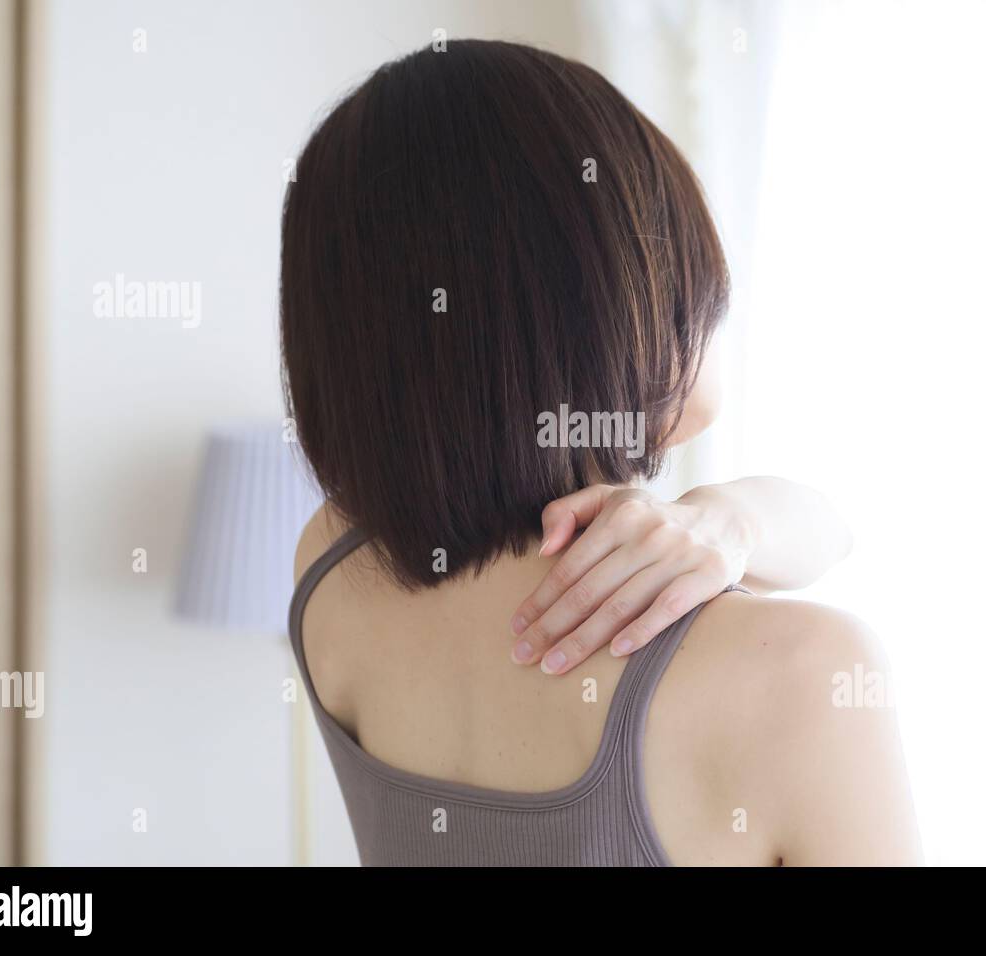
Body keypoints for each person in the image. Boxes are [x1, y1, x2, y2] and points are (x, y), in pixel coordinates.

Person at [282, 39, 921, 866]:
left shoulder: (329, 567)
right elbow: (838, 533)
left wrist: (730, 519)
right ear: (611, 305)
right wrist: (732, 526)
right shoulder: (803, 676)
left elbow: (828, 526)